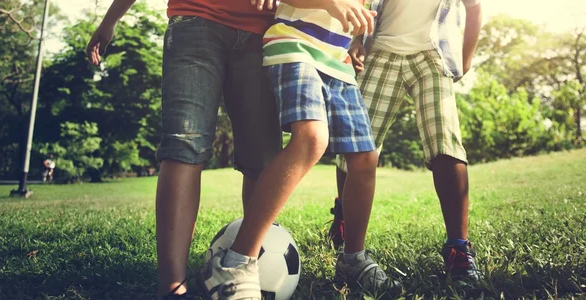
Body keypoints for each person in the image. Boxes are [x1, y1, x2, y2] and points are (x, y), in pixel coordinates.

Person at [200, 0, 401, 299]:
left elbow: (357, 19)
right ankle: (236, 260)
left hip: (338, 64)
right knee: (311, 138)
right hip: (295, 47)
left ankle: (353, 259)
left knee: (365, 158)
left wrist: (359, 41)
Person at [86, 0, 282, 299]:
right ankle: (173, 288)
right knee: (183, 144)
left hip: (265, 32)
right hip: (196, 19)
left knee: (263, 156)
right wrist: (110, 19)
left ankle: (245, 268)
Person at [327, 0, 484, 283]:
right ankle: (344, 218)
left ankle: (459, 250)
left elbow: (473, 8)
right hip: (381, 53)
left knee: (444, 142)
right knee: (357, 145)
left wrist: (466, 58)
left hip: (433, 55)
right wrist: (358, 39)